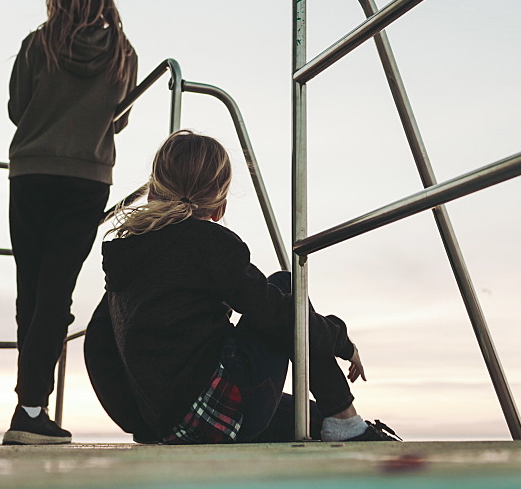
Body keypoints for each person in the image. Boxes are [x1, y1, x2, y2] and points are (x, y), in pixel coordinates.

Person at [84, 130, 400, 444]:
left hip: (165, 423)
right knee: (284, 286)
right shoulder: (210, 245)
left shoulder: (126, 255)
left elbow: (97, 348)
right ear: (219, 207)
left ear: (153, 191)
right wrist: (342, 342)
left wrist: (143, 421)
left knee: (308, 416)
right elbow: (279, 315)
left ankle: (337, 422)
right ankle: (345, 420)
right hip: (223, 412)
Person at [3, 0, 138, 445]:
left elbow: (18, 110)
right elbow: (117, 120)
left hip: (32, 173)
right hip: (85, 180)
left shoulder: (37, 44)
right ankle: (30, 407)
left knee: (32, 291)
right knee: (57, 292)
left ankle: (30, 407)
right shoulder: (123, 53)